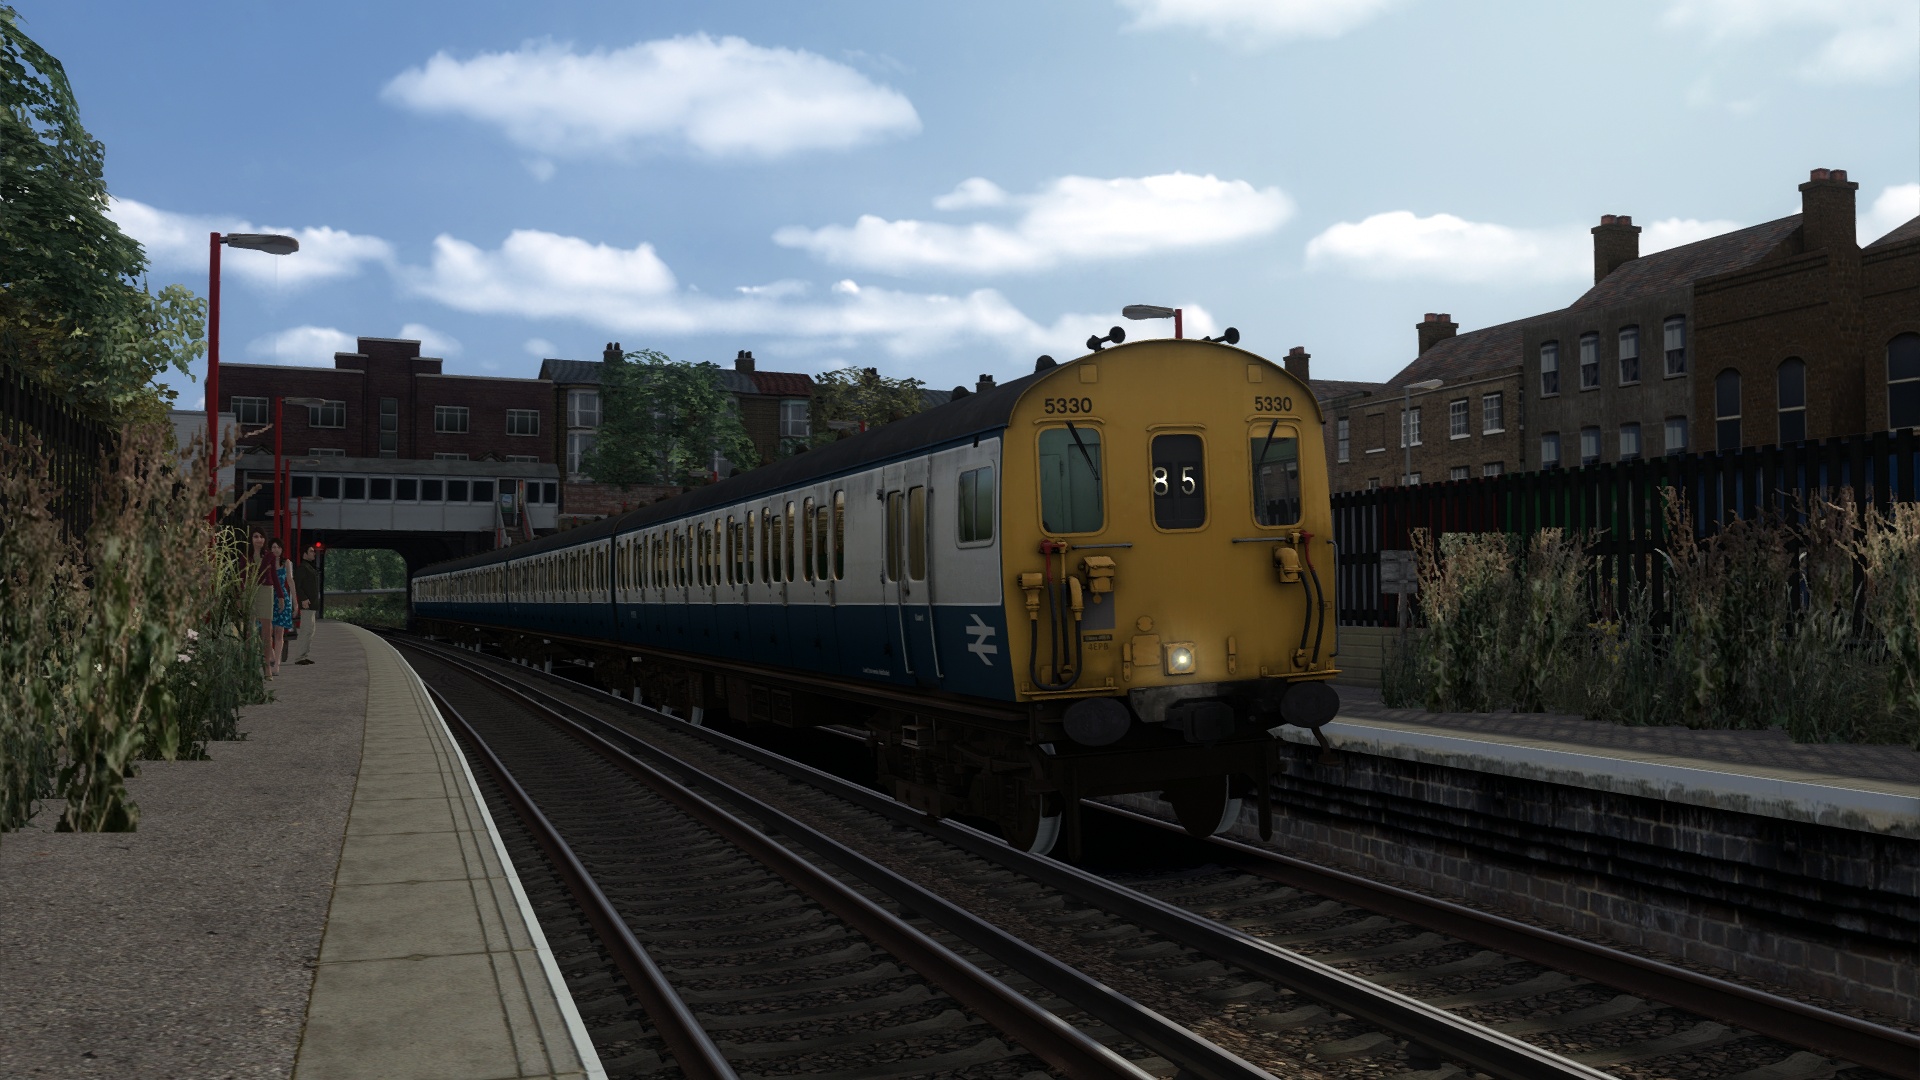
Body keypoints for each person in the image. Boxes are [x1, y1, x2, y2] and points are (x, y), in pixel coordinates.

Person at [249, 529, 276, 677]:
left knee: (267, 630)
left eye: (261, 537)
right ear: (251, 539)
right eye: (255, 536)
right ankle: (250, 664)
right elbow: (243, 576)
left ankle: (266, 666)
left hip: (266, 591)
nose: (259, 539)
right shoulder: (245, 556)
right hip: (251, 591)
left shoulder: (269, 556)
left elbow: (273, 576)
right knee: (249, 629)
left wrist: (281, 596)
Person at [267, 537, 295, 679]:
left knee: (279, 633)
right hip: (268, 598)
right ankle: (272, 655)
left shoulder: (286, 563)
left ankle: (277, 663)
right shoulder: (267, 562)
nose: (276, 550)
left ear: (282, 549)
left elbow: (290, 581)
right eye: (273, 547)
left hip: (282, 598)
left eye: (278, 547)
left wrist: (295, 601)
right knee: (267, 631)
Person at [293, 544, 322, 665]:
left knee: (310, 630)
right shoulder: (302, 568)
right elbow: (297, 585)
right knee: (306, 630)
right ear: (304, 554)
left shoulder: (309, 567)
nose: (314, 553)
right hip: (307, 604)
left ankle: (304, 655)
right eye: (311, 551)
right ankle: (299, 657)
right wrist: (303, 599)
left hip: (312, 605)